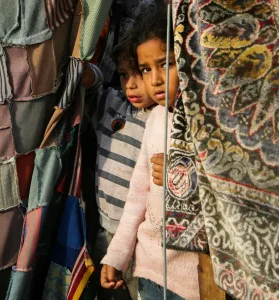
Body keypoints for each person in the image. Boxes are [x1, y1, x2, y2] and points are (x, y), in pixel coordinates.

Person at [100, 4, 200, 300]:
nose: (154, 79)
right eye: (146, 68)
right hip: (149, 272)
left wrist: (183, 173)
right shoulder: (156, 118)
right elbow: (137, 195)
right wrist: (116, 255)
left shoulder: (209, 124)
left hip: (194, 282)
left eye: (165, 64)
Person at [82, 35, 156, 299]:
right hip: (103, 227)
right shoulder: (112, 105)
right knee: (106, 289)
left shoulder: (163, 121)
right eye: (125, 75)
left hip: (141, 240)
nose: (132, 85)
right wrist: (87, 74)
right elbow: (89, 86)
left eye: (141, 73)